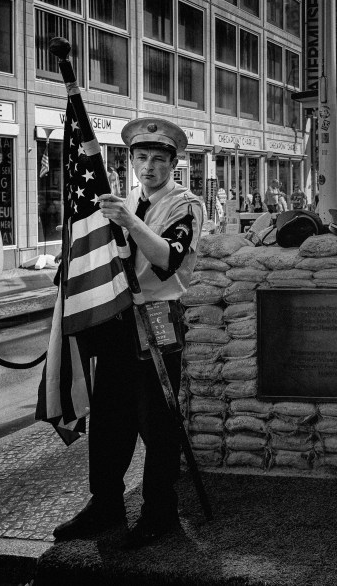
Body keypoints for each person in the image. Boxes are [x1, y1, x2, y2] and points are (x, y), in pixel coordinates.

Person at [52, 118, 204, 548]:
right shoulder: (126, 199)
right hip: (117, 322)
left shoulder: (185, 205)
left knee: (156, 422)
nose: (149, 167)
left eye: (159, 159)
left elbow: (168, 260)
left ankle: (160, 510)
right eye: (141, 158)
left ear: (175, 162)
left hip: (157, 319)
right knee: (109, 418)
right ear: (131, 160)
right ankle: (106, 504)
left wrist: (131, 223)